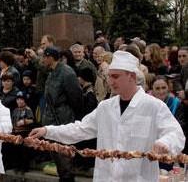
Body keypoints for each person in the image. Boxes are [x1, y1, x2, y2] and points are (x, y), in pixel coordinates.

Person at [30, 51, 185, 181]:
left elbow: (176, 133)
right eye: (109, 76)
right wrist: (48, 131)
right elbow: (80, 129)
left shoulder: (154, 106)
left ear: (131, 76)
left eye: (115, 76)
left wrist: (165, 143)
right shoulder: (105, 107)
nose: (110, 81)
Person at [41, 46, 83, 181]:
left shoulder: (67, 73)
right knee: (55, 156)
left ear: (50, 58)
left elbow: (76, 97)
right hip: (51, 118)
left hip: (63, 117)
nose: (42, 60)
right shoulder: (51, 72)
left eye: (44, 57)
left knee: (64, 157)